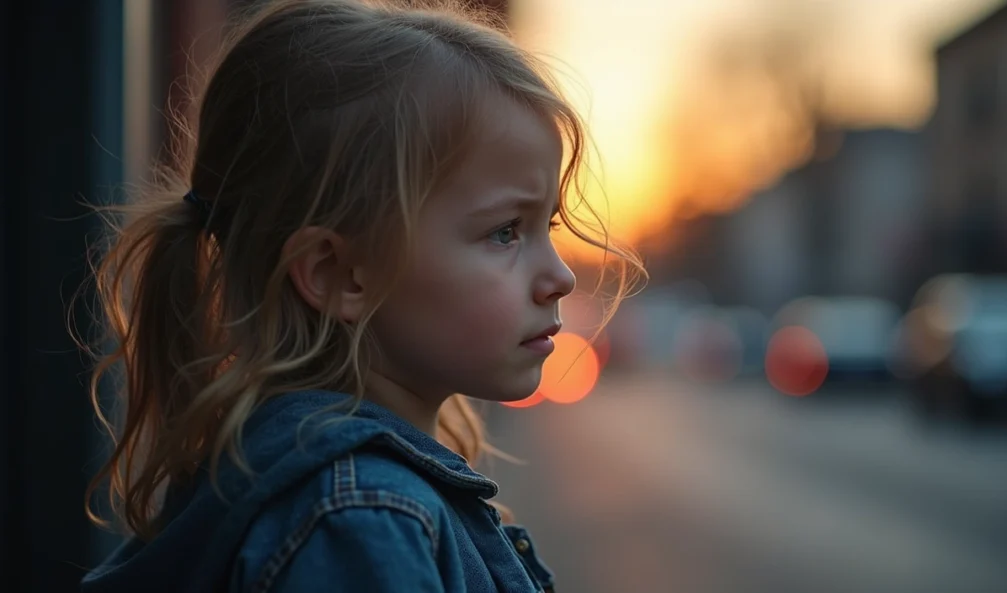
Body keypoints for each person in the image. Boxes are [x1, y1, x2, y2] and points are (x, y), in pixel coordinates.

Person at [81, 0, 642, 591]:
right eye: (504, 231)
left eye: (545, 227)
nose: (561, 277)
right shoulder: (361, 521)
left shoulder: (332, 492)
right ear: (335, 274)